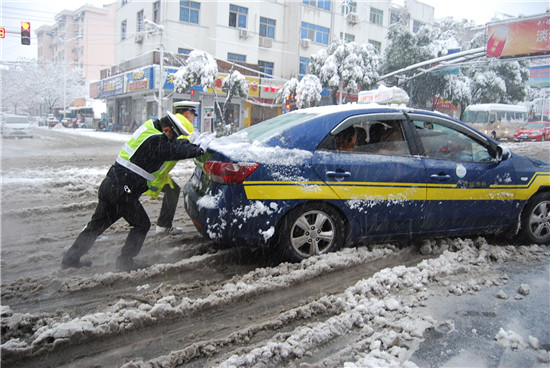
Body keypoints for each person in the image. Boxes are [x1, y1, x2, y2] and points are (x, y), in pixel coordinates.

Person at [61, 111, 211, 271]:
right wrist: (199, 150)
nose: (174, 140)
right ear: (167, 130)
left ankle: (70, 258)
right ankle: (125, 261)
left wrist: (191, 142)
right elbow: (174, 151)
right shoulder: (156, 141)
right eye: (174, 136)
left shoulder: (150, 129)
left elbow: (173, 146)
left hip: (110, 185)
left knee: (95, 226)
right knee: (142, 224)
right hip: (122, 191)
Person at [148, 101, 202, 235]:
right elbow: (186, 145)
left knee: (172, 190)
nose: (194, 118)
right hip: (152, 171)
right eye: (193, 115)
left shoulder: (174, 122)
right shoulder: (183, 125)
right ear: (187, 113)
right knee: (127, 199)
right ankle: (163, 226)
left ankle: (164, 226)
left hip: (156, 170)